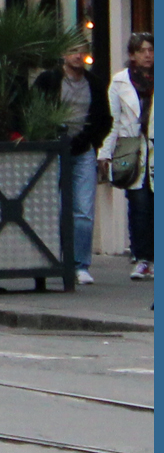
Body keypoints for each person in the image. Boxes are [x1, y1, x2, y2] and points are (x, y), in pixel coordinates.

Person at [33, 44, 112, 285]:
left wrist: (92, 140)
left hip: (83, 151)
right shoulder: (48, 80)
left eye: (83, 50)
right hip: (53, 150)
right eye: (73, 50)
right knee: (52, 208)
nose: (78, 56)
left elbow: (104, 118)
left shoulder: (95, 83)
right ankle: (54, 259)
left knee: (83, 211)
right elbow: (33, 109)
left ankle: (80, 264)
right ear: (63, 54)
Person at [99, 32, 154, 280]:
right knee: (139, 204)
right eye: (142, 51)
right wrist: (105, 153)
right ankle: (142, 258)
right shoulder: (120, 81)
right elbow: (113, 121)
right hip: (132, 149)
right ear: (132, 55)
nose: (148, 55)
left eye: (151, 50)